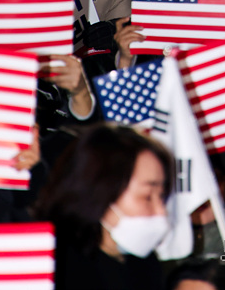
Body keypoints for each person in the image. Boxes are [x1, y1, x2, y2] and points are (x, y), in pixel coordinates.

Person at [34, 124, 174, 290]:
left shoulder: (146, 265)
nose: (161, 211)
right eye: (147, 197)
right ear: (101, 191)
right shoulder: (50, 266)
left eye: (161, 197)